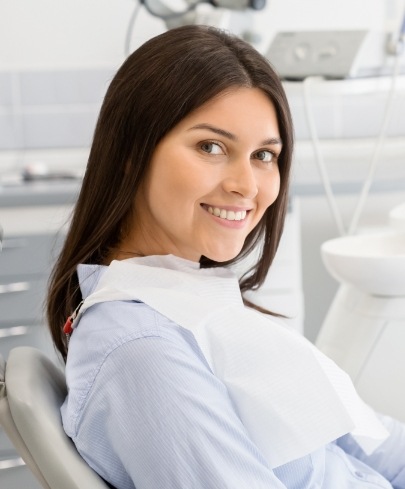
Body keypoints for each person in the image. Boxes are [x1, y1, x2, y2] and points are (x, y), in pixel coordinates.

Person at [47, 25, 405, 489]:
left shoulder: (184, 299)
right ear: (131, 153)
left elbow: (363, 444)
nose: (247, 185)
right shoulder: (141, 352)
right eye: (211, 147)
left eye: (264, 155)